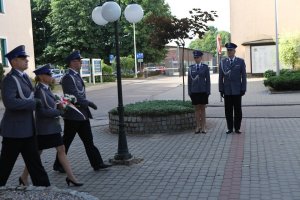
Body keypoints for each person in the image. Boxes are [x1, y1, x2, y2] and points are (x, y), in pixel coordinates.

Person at [19, 64, 83, 187]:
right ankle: (23, 177)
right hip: (44, 129)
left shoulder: (47, 89)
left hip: (51, 128)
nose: (51, 76)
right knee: (36, 155)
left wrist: (62, 104)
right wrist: (59, 111)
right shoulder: (39, 91)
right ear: (42, 77)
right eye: (48, 74)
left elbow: (52, 105)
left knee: (60, 149)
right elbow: (42, 112)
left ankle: (71, 177)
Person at [53, 50, 111, 172]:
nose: (81, 63)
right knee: (67, 141)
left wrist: (86, 104)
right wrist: (88, 103)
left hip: (82, 115)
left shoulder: (75, 76)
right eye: (79, 61)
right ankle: (58, 165)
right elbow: (73, 95)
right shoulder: (68, 77)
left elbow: (79, 94)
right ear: (72, 62)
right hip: (73, 115)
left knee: (88, 141)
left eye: (80, 61)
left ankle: (97, 163)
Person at [0, 45, 50, 186]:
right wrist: (33, 103)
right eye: (23, 58)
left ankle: (45, 189)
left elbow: (32, 94)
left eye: (26, 58)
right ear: (14, 61)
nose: (26, 60)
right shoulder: (9, 79)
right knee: (5, 166)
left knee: (35, 164)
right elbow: (10, 103)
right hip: (14, 132)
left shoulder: (25, 78)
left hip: (27, 130)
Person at [219, 42, 247, 134]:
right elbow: (220, 77)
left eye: (231, 50)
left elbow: (244, 76)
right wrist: (221, 89)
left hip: (237, 90)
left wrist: (243, 88)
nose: (229, 52)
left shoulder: (240, 62)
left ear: (234, 51)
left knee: (238, 110)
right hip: (227, 90)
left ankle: (237, 128)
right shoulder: (223, 62)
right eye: (228, 50)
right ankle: (229, 128)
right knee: (228, 110)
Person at [188, 50, 211, 134]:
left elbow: (208, 81)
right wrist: (189, 92)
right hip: (194, 92)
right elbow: (189, 81)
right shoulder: (191, 68)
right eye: (195, 57)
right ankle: (198, 126)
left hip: (203, 91)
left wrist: (208, 91)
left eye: (197, 57)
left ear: (201, 58)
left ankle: (204, 126)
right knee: (197, 109)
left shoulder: (205, 67)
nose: (196, 59)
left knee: (203, 109)